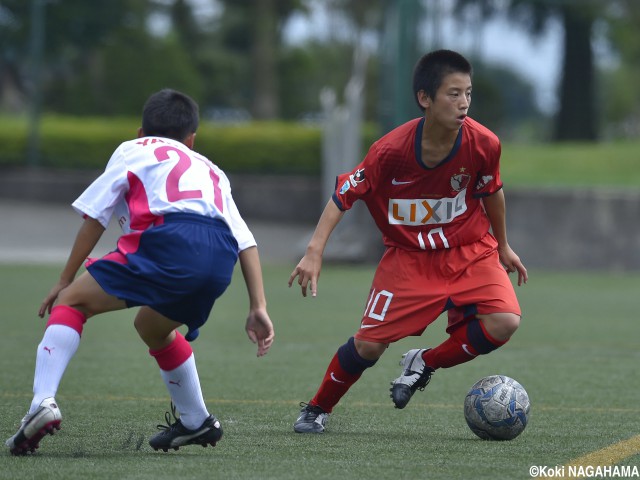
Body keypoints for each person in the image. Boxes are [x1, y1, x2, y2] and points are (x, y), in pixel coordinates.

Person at [6, 88, 275, 455]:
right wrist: (258, 305)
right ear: (192, 140)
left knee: (72, 302)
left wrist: (64, 280)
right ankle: (197, 421)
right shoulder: (212, 169)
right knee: (151, 326)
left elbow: (96, 217)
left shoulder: (132, 150)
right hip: (218, 258)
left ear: (140, 132)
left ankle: (42, 403)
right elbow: (246, 240)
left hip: (169, 238)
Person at [288, 49, 527, 433]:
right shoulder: (390, 151)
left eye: (468, 93)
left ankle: (424, 363)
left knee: (504, 321)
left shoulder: (484, 143)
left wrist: (503, 245)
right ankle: (318, 408)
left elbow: (492, 190)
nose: (463, 102)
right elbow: (342, 197)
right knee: (368, 347)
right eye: (453, 93)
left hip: (469, 251)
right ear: (425, 99)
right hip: (409, 260)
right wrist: (314, 252)